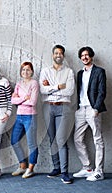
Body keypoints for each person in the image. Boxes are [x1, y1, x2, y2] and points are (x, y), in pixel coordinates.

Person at [39, 45, 75, 184]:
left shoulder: (69, 72)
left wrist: (51, 88)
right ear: (52, 55)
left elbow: (69, 91)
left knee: (61, 140)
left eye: (61, 53)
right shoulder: (45, 71)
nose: (58, 55)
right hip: (48, 108)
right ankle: (56, 168)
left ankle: (65, 173)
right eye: (56, 53)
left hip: (63, 107)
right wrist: (58, 86)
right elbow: (43, 90)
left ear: (63, 56)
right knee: (52, 138)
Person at [73, 46, 107, 181]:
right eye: (82, 56)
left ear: (91, 56)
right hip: (81, 109)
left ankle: (99, 171)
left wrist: (97, 108)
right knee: (77, 139)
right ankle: (87, 168)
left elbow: (102, 92)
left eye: (87, 55)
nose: (84, 57)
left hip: (93, 109)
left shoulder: (99, 71)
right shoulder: (80, 73)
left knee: (97, 139)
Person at [11, 62, 39, 179]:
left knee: (31, 143)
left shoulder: (34, 83)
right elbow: (13, 101)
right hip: (19, 116)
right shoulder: (19, 84)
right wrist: (24, 98)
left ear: (31, 71)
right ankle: (22, 165)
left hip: (30, 116)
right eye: (23, 70)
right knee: (14, 141)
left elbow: (32, 102)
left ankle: (31, 168)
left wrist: (19, 99)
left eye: (28, 70)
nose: (25, 72)